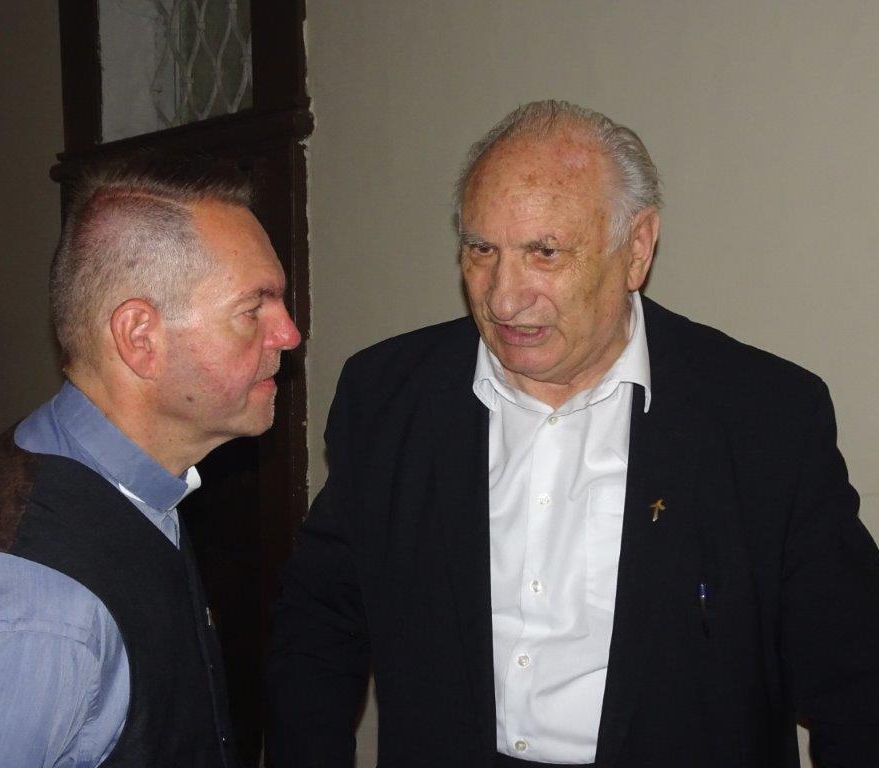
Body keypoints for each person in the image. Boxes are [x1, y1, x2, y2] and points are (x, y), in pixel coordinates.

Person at [267, 101, 879, 768]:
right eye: (481, 250)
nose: (503, 297)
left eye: (544, 252)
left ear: (636, 249)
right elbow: (320, 623)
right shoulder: (388, 396)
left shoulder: (764, 417)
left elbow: (854, 676)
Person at [0, 157, 301, 767]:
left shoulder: (118, 476)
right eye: (253, 309)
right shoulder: (33, 615)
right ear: (140, 337)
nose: (288, 334)